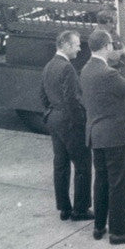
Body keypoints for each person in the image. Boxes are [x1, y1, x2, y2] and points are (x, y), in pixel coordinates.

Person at [80, 29, 125, 245]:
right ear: (106, 47)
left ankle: (99, 226)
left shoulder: (86, 70)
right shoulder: (109, 74)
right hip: (116, 136)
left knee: (102, 181)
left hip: (95, 135)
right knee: (119, 184)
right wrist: (124, 62)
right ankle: (118, 231)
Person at [38, 30, 93, 222]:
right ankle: (81, 209)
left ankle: (64, 208)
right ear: (66, 45)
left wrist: (50, 114)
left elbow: (43, 95)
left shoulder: (49, 66)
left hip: (54, 119)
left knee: (60, 165)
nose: (79, 48)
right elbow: (72, 100)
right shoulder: (67, 68)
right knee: (83, 165)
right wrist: (81, 124)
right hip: (70, 122)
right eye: (77, 44)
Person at [93, 7, 125, 75]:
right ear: (107, 20)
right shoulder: (101, 35)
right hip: (106, 69)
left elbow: (119, 43)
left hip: (116, 65)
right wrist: (123, 51)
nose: (117, 18)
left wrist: (123, 49)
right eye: (115, 15)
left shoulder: (111, 30)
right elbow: (112, 56)